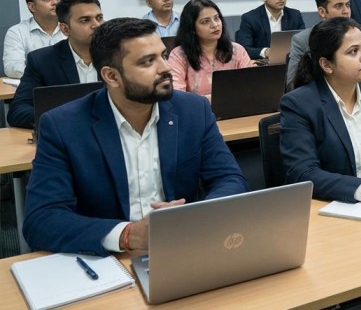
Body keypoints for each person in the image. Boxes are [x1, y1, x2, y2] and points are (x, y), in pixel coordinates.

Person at [22, 18, 247, 255]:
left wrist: (194, 216)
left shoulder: (193, 110)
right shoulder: (63, 126)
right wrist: (128, 235)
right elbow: (41, 220)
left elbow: (230, 179)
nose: (165, 68)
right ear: (111, 76)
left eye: (163, 55)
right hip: (108, 258)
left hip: (182, 245)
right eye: (148, 61)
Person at [281, 17, 361, 204]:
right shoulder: (299, 104)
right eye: (353, 51)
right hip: (331, 205)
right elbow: (303, 173)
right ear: (327, 65)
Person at [7, 0, 104, 129]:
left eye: (99, 18)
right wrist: (64, 119)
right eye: (85, 20)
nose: (96, 25)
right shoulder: (42, 60)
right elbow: (18, 111)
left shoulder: (118, 55)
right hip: (68, 132)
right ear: (65, 29)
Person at [287, 0, 361, 88]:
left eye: (347, 5)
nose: (346, 11)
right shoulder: (302, 40)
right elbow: (292, 84)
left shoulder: (360, 33)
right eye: (338, 6)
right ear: (322, 12)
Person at [167, 0, 253, 96]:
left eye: (216, 18)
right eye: (205, 21)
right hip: (196, 106)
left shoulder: (237, 50)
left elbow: (252, 86)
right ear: (192, 28)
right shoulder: (179, 55)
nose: (215, 25)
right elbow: (177, 95)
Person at [3, 0, 63, 78]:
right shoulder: (17, 31)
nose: (55, 2)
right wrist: (47, 74)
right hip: (36, 85)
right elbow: (11, 67)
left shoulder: (71, 28)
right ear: (32, 7)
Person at [236, 0, 305, 59]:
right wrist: (266, 52)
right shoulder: (250, 18)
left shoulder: (295, 15)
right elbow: (244, 49)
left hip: (290, 61)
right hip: (263, 64)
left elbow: (303, 44)